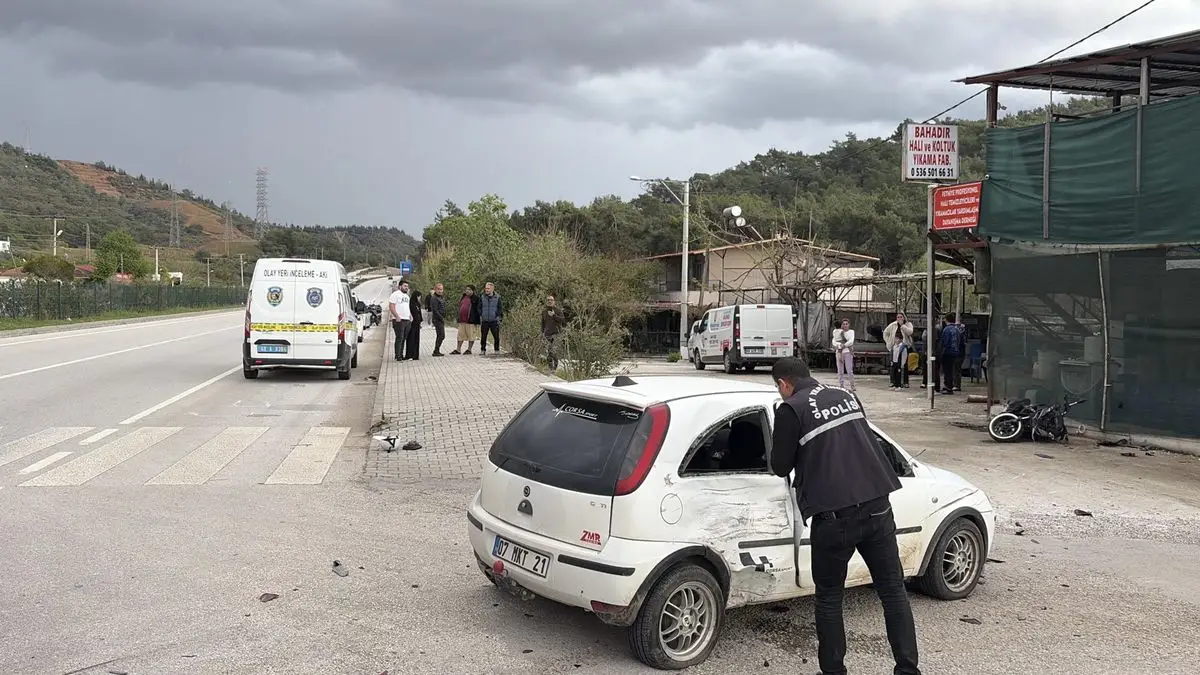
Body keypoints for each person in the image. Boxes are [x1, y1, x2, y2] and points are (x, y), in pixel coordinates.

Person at [768, 357, 921, 675]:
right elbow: (856, 441)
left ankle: (834, 671)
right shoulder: (845, 396)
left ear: (784, 384)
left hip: (834, 517)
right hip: (878, 506)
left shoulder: (791, 408)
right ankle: (908, 669)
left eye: (779, 388)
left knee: (829, 598)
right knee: (892, 590)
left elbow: (780, 466)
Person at [883, 312, 914, 388]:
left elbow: (910, 332)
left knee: (903, 364)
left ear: (904, 318)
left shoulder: (908, 324)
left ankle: (905, 382)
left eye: (901, 317)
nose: (899, 318)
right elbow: (885, 332)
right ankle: (893, 381)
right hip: (895, 346)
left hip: (903, 346)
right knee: (894, 364)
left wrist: (902, 325)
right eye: (898, 317)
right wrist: (888, 341)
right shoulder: (893, 325)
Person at [449, 285, 481, 355]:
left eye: (469, 289)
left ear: (473, 291)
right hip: (462, 320)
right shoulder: (463, 297)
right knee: (460, 335)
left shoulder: (476, 298)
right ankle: (458, 349)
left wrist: (477, 320)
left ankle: (469, 349)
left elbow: (478, 310)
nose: (467, 291)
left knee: (471, 336)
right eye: (466, 289)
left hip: (471, 321)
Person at [939, 312, 965, 395]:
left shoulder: (946, 329)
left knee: (947, 371)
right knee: (952, 370)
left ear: (946, 319)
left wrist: (941, 352)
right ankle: (950, 385)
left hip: (947, 352)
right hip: (955, 352)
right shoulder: (957, 330)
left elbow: (945, 342)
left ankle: (948, 387)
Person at [388, 281, 412, 362]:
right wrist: (396, 316)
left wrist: (410, 315)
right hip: (399, 320)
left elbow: (407, 307)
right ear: (400, 286)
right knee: (399, 337)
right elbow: (391, 306)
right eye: (405, 286)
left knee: (404, 338)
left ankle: (401, 354)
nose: (406, 287)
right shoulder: (395, 295)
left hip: (407, 319)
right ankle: (397, 355)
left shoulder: (407, 296)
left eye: (407, 286)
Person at [541, 293, 565, 372]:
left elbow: (562, 320)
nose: (549, 301)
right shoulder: (544, 311)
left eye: (551, 300)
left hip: (556, 334)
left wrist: (554, 315)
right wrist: (542, 333)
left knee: (553, 351)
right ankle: (550, 368)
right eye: (548, 300)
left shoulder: (558, 311)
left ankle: (554, 367)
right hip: (547, 334)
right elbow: (543, 323)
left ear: (554, 301)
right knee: (548, 351)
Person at [831, 318, 855, 392]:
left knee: (849, 370)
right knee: (840, 370)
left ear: (849, 325)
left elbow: (851, 341)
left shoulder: (851, 332)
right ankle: (841, 385)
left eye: (846, 324)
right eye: (843, 324)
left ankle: (852, 385)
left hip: (847, 351)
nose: (845, 326)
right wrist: (839, 346)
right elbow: (834, 341)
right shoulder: (837, 332)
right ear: (841, 325)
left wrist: (843, 345)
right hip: (839, 351)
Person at [479, 281, 503, 354]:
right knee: (483, 337)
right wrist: (481, 314)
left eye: (488, 288)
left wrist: (497, 316)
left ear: (492, 289)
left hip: (494, 320)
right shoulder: (482, 296)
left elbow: (500, 308)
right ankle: (483, 350)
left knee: (496, 336)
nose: (486, 290)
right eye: (486, 288)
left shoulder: (498, 297)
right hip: (485, 320)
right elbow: (479, 307)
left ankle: (496, 350)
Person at [405, 289, 423, 360]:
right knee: (411, 339)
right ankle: (410, 354)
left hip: (417, 324)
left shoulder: (418, 304)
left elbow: (419, 313)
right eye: (419, 297)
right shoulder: (411, 303)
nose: (419, 298)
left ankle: (415, 355)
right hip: (412, 324)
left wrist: (420, 321)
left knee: (416, 339)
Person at [429, 283, 446, 357]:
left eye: (441, 289)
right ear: (435, 289)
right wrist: (441, 318)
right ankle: (436, 351)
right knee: (441, 335)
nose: (440, 291)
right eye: (438, 289)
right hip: (437, 319)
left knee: (440, 335)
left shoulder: (441, 297)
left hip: (440, 318)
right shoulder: (434, 298)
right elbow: (435, 310)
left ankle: (436, 350)